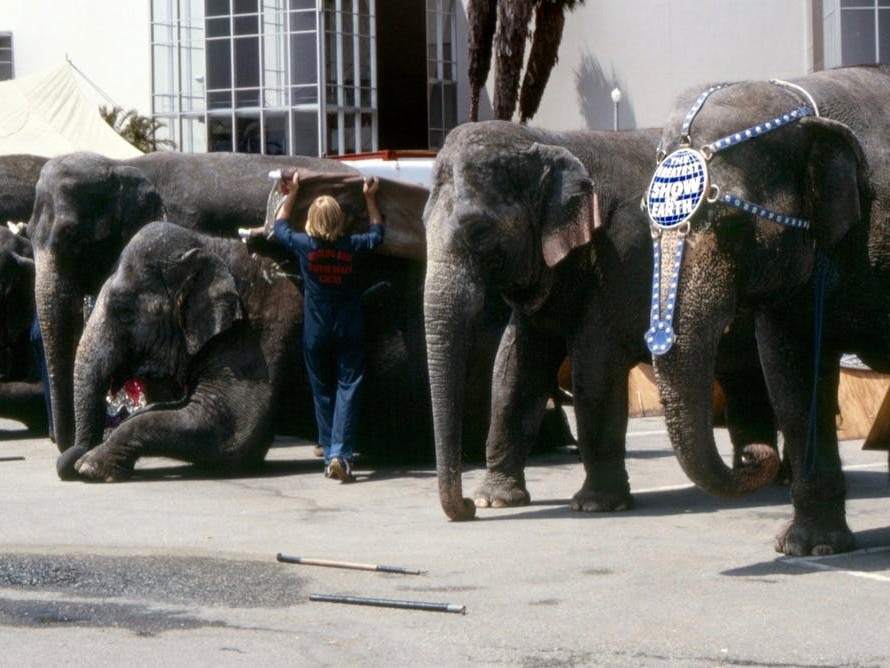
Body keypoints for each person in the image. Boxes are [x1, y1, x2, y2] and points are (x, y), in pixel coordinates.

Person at [243, 171, 384, 482]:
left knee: (321, 387)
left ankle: (326, 444)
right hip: (349, 326)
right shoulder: (352, 246)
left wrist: (292, 192)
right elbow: (377, 235)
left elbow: (279, 227)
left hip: (316, 331)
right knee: (349, 384)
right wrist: (370, 198)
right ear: (340, 220)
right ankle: (340, 454)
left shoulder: (305, 246)